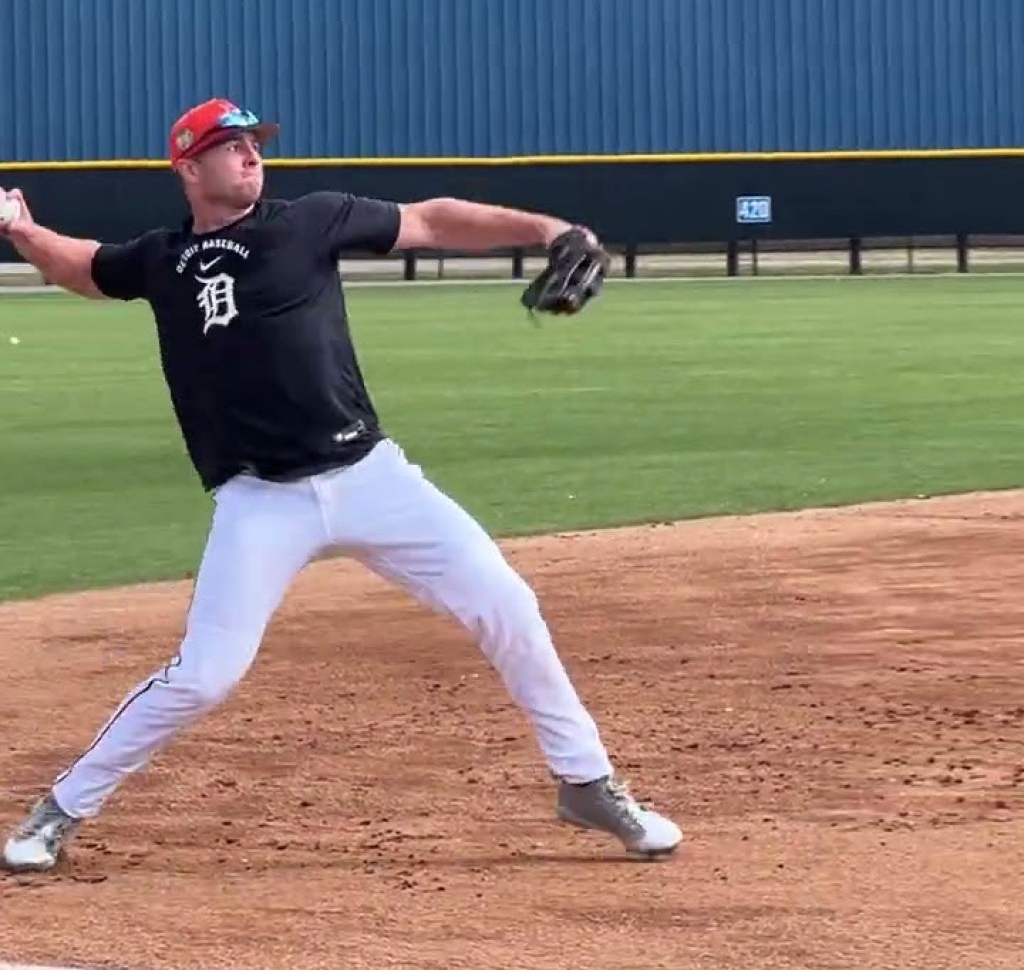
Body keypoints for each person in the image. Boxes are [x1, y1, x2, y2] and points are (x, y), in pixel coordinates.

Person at [0, 98, 681, 871]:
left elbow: (432, 220)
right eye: (230, 147)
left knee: (507, 605)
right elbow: (83, 268)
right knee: (205, 676)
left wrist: (545, 229)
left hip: (371, 477)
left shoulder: (312, 220)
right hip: (262, 500)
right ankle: (59, 810)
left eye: (255, 144)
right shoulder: (161, 259)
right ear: (188, 167)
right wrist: (21, 228)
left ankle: (586, 782)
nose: (251, 156)